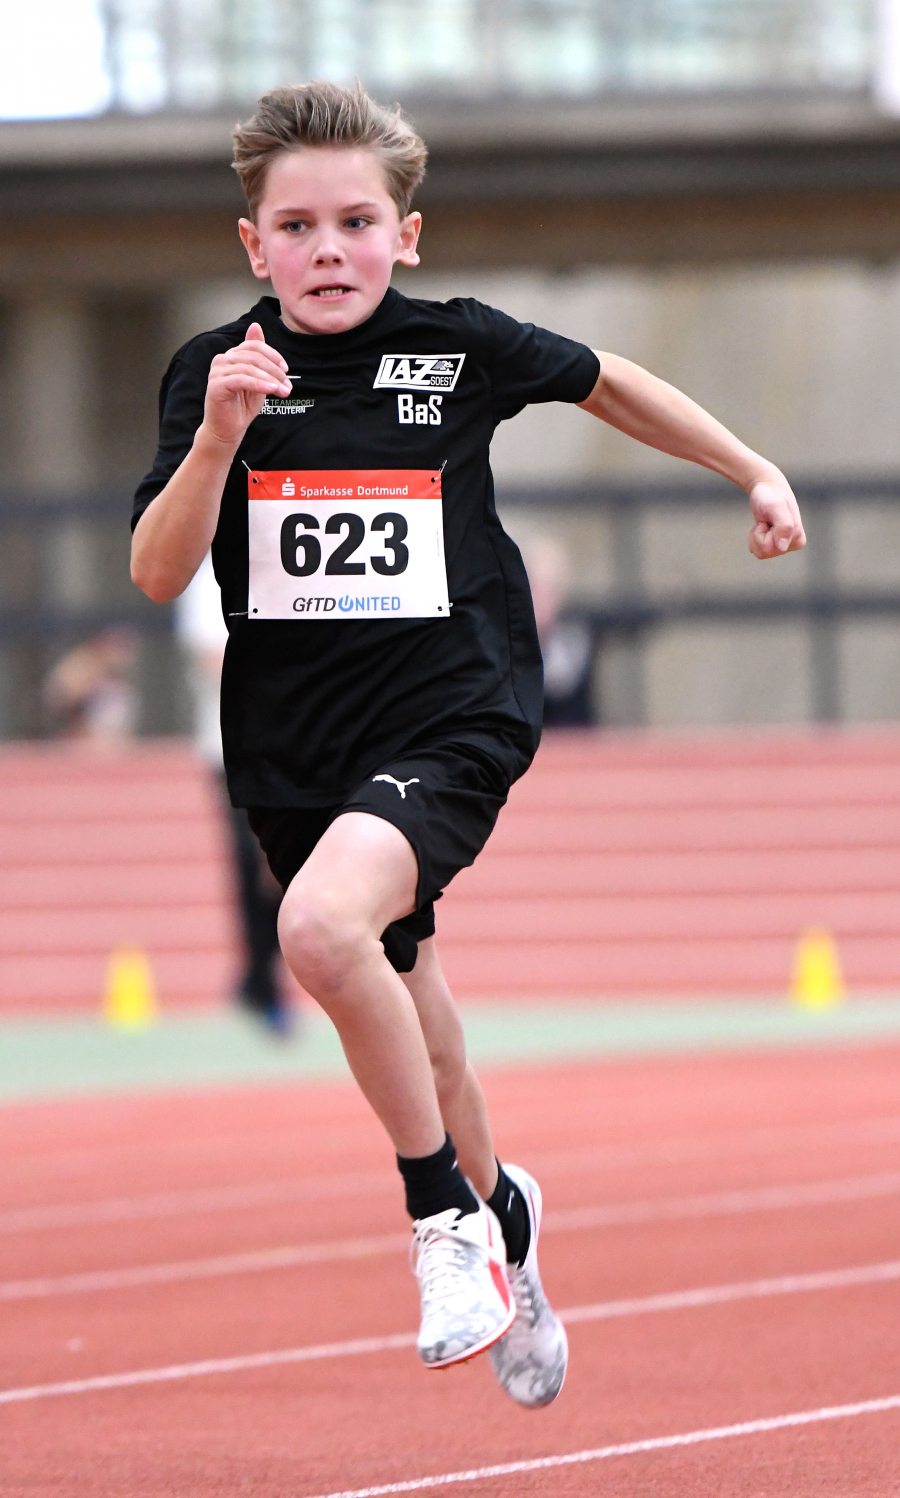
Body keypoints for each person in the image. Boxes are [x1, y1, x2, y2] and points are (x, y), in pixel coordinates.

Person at [130, 81, 805, 1405]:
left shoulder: (458, 347)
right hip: (293, 744)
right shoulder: (213, 374)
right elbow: (158, 572)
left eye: (358, 222)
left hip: (453, 710)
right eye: (300, 226)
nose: (331, 249)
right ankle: (512, 1232)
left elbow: (612, 383)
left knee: (320, 933)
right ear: (252, 245)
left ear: (408, 235)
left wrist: (751, 468)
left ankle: (444, 1217)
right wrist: (215, 438)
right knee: (416, 1017)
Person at [175, 554, 290, 1034]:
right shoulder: (209, 576)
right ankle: (262, 980)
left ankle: (262, 977)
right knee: (255, 863)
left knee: (287, 865)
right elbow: (213, 658)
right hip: (236, 747)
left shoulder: (282, 556)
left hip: (294, 742)